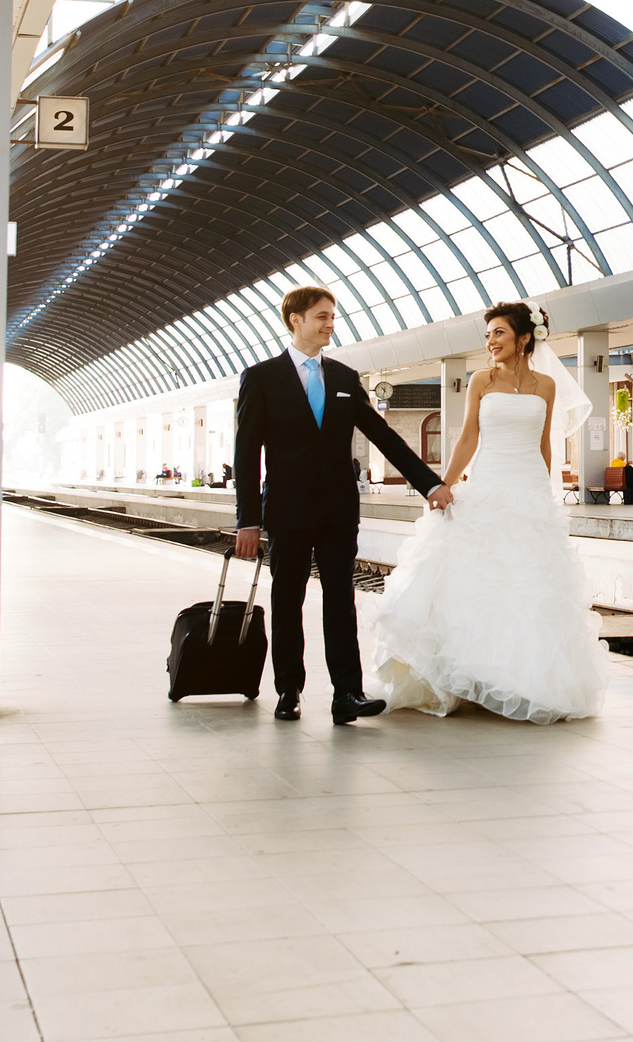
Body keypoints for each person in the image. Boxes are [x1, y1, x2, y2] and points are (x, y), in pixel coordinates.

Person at [368, 302, 608, 723]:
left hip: (529, 488)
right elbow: (466, 440)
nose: (491, 342)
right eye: (488, 335)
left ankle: (522, 681)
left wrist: (544, 491)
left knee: (529, 587)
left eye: (498, 333)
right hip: (488, 483)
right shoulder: (481, 380)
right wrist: (441, 484)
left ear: (524, 338)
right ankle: (471, 677)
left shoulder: (547, 385)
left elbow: (545, 443)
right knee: (480, 581)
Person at [232, 285, 441, 726]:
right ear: (296, 321)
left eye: (332, 316)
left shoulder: (345, 379)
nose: (330, 324)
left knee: (340, 602)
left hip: (338, 511)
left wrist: (429, 484)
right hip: (286, 512)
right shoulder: (261, 377)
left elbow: (385, 437)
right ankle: (288, 690)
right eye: (322, 317)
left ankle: (348, 692)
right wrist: (247, 521)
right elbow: (246, 455)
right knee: (286, 601)